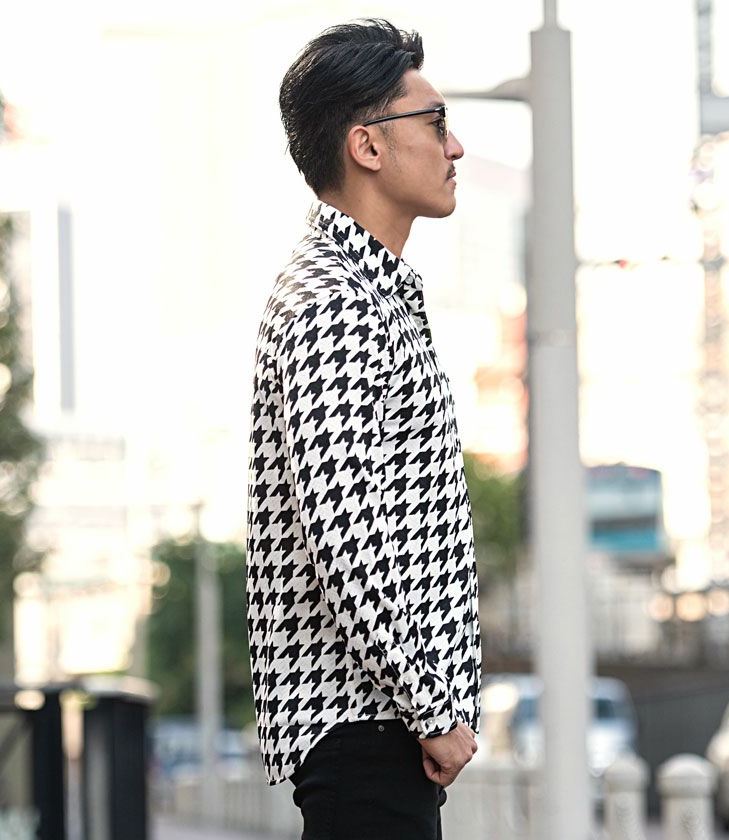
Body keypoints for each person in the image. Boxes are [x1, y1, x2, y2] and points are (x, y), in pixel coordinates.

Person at [246, 18, 481, 840]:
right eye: (436, 123)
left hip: (378, 730)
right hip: (367, 728)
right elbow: (347, 538)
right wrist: (432, 710)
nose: (455, 147)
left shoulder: (365, 292)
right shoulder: (333, 304)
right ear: (368, 146)